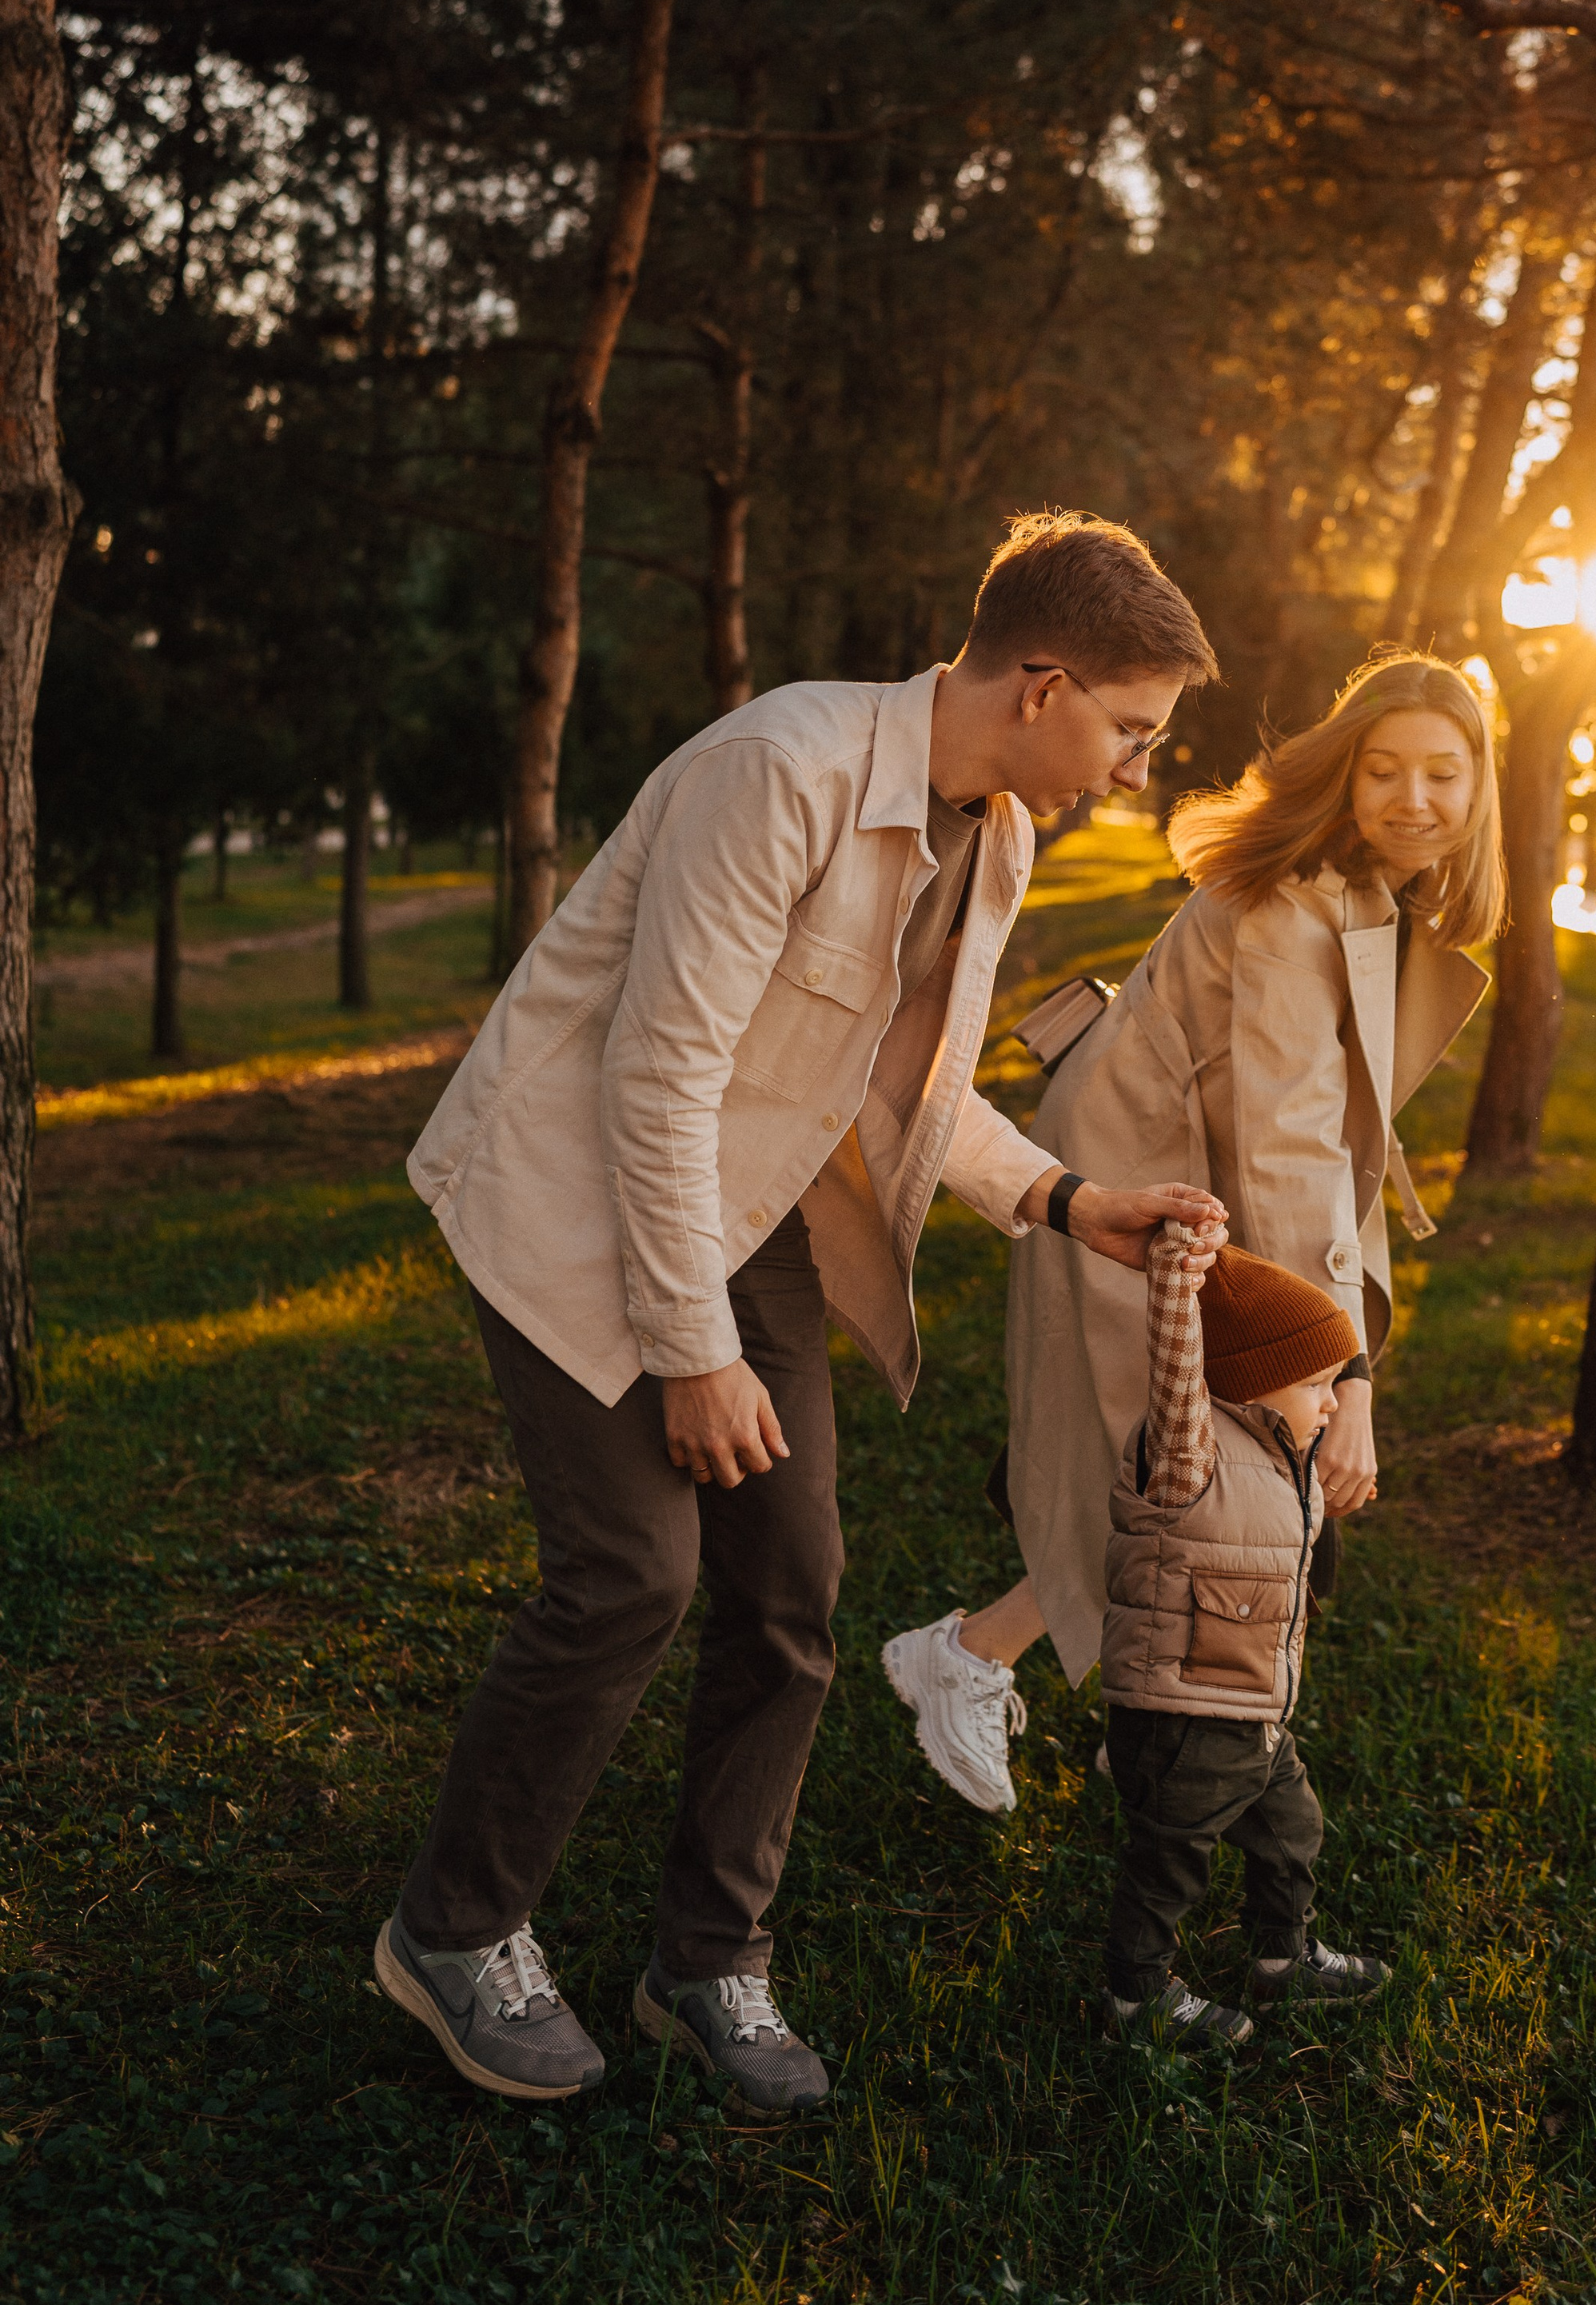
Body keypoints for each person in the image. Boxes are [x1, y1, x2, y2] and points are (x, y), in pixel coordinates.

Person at [375, 511, 1227, 2114]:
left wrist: (1065, 1199)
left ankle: (707, 1960)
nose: (1128, 768)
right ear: (1042, 684)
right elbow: (657, 1072)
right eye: (1127, 730)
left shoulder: (997, 830)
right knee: (631, 1572)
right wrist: (691, 1351)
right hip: (573, 1195)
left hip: (741, 1204)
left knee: (790, 1589)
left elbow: (909, 1088)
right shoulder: (781, 769)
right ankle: (452, 1929)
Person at [884, 652, 1502, 1813]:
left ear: (1482, 792)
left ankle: (1124, 1701)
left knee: (1185, 1464)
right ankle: (993, 1664)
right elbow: (1288, 1149)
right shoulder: (1296, 906)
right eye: (1386, 771)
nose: (1415, 799)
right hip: (1141, 1179)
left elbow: (1315, 1128)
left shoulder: (1364, 890)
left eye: (1444, 775)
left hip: (1187, 1167)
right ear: (1345, 777)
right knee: (1163, 1463)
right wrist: (1344, 1371)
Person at [1100, 1225, 1390, 2046]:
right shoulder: (1190, 1454)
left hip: (1255, 1715)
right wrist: (1175, 1280)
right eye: (1316, 1387)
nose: (1333, 1404)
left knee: (1293, 1832)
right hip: (1181, 1719)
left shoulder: (1284, 1458)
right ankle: (1135, 1996)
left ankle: (1281, 1959)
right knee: (1168, 1867)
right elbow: (1175, 1364)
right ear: (1254, 1387)